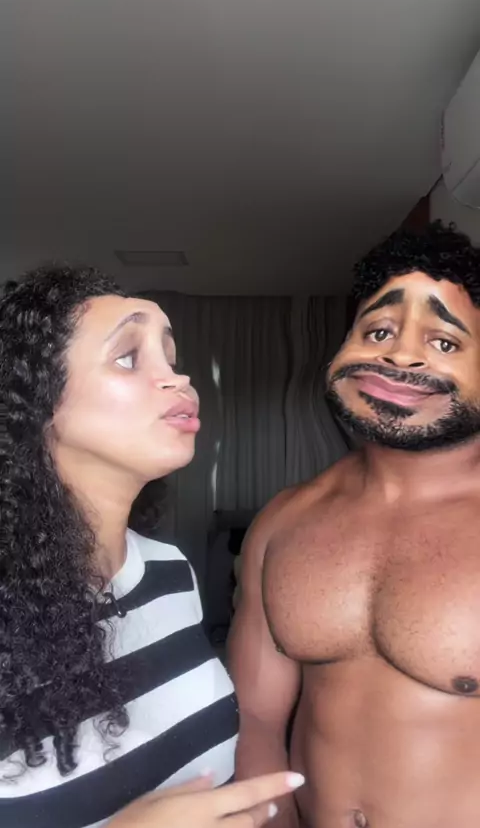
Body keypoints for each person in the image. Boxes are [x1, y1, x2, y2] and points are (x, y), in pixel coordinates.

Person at [0, 265, 304, 828]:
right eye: (127, 357)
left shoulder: (170, 569)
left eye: (171, 356)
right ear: (36, 405)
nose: (178, 379)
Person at [228, 221, 480, 828]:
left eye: (444, 342)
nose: (399, 355)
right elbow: (254, 720)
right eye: (379, 331)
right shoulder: (284, 521)